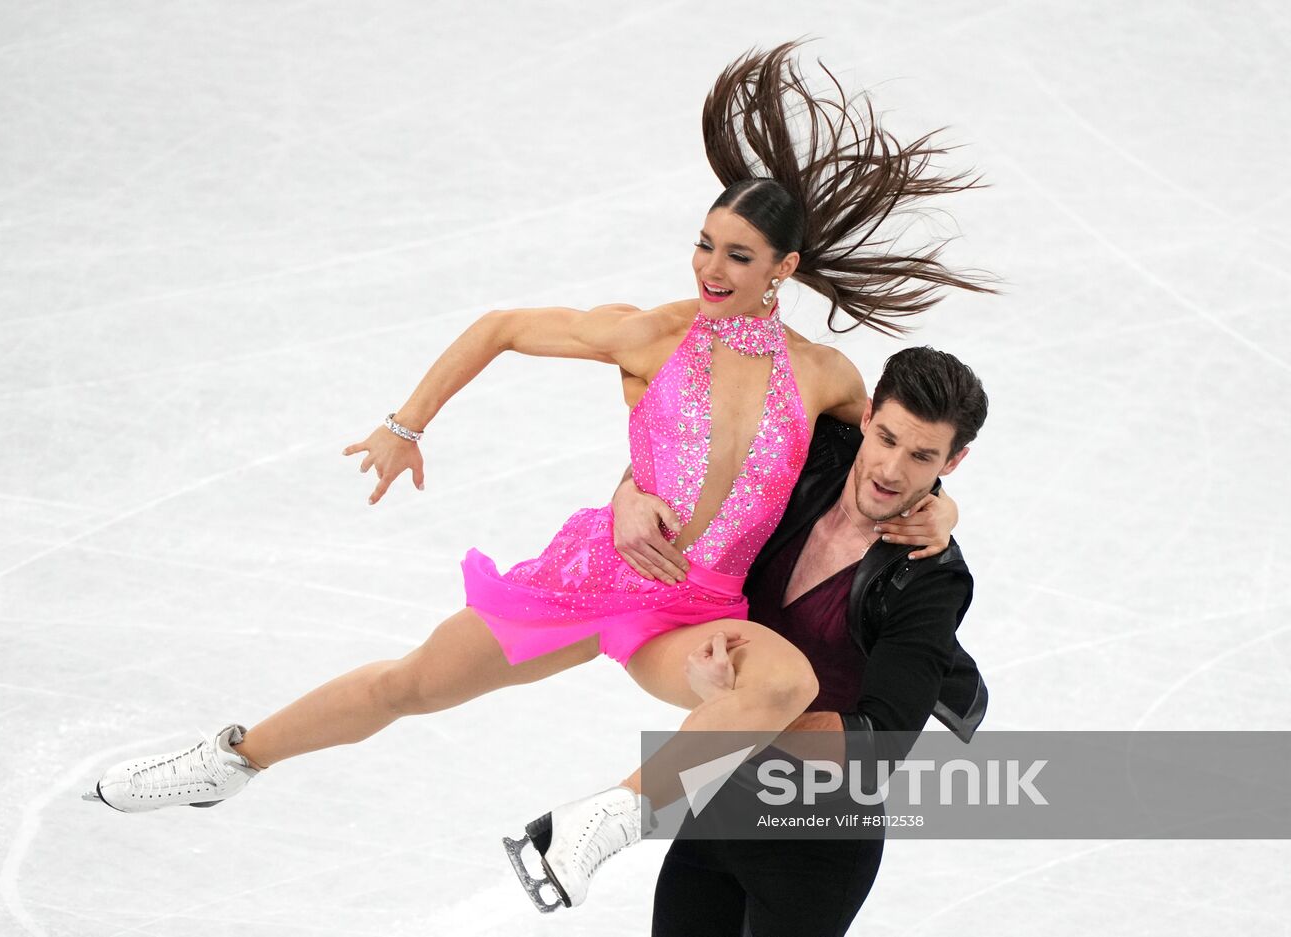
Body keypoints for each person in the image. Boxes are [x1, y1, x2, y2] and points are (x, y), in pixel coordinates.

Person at [82, 42, 992, 914]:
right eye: (704, 244)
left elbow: (886, 449)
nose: (711, 269)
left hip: (696, 604)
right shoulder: (651, 334)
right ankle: (231, 759)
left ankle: (601, 823)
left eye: (739, 256)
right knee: (411, 683)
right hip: (593, 572)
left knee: (785, 680)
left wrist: (938, 504)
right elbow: (501, 326)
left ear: (784, 269)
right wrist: (407, 426)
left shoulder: (825, 377)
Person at [612, 346, 989, 936]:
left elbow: (881, 745)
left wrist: (738, 706)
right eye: (886, 438)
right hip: (716, 806)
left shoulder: (928, 577)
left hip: (817, 845)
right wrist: (628, 497)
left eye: (922, 457)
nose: (891, 471)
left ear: (955, 460)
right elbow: (684, 447)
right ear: (865, 417)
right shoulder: (807, 458)